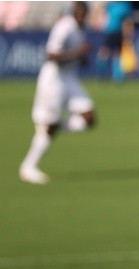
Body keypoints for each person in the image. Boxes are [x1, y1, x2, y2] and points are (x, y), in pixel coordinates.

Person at [20, 1, 96, 185]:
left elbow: (75, 55)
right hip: (53, 80)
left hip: (68, 78)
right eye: (78, 12)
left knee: (89, 118)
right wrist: (78, 53)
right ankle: (28, 167)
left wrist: (82, 58)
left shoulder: (81, 28)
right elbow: (51, 56)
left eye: (83, 12)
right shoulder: (64, 27)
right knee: (49, 127)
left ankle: (55, 125)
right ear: (73, 12)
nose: (81, 15)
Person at [94, 1, 132, 83]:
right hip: (110, 33)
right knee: (105, 54)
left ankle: (118, 77)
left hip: (117, 33)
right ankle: (103, 75)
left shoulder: (125, 6)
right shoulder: (111, 5)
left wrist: (127, 33)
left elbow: (128, 21)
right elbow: (101, 11)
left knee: (116, 55)